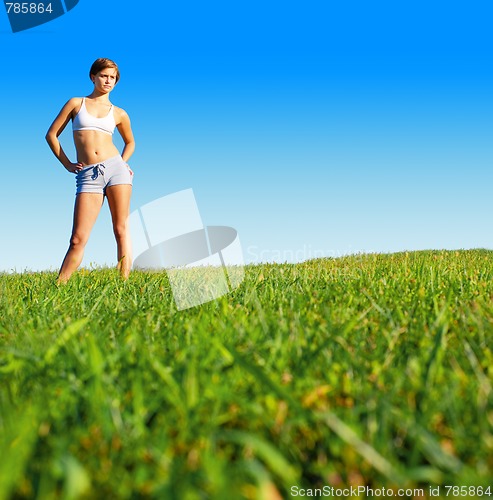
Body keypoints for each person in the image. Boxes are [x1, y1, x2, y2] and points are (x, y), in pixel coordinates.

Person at [46, 58, 135, 283]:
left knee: (120, 229)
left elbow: (130, 142)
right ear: (93, 76)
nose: (108, 81)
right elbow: (51, 135)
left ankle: (123, 285)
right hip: (88, 175)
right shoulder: (76, 103)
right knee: (77, 238)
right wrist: (67, 164)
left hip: (116, 171)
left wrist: (123, 163)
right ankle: (59, 286)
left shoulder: (119, 113)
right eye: (104, 75)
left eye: (112, 77)